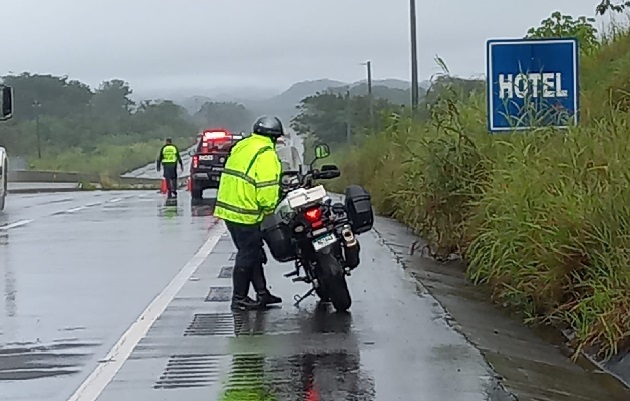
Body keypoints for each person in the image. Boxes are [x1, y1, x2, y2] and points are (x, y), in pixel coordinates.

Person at [214, 115, 284, 310]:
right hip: (245, 211)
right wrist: (271, 209)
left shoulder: (244, 145)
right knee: (247, 254)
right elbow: (266, 189)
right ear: (275, 137)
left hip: (229, 207)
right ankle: (239, 298)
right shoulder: (267, 154)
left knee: (253, 251)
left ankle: (262, 293)